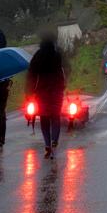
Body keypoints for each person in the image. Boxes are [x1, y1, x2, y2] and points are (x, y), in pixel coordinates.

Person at [26, 28, 67, 158]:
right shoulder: (57, 55)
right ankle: (55, 139)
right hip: (56, 91)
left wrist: (30, 91)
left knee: (44, 118)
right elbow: (61, 72)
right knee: (55, 117)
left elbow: (31, 75)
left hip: (42, 92)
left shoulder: (38, 56)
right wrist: (62, 86)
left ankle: (47, 145)